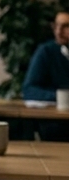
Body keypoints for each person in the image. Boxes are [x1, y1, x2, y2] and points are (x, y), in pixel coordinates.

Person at [24, 11, 69, 142]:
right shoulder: (46, 52)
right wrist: (61, 97)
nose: (59, 31)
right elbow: (29, 90)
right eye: (56, 25)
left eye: (66, 26)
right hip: (57, 124)